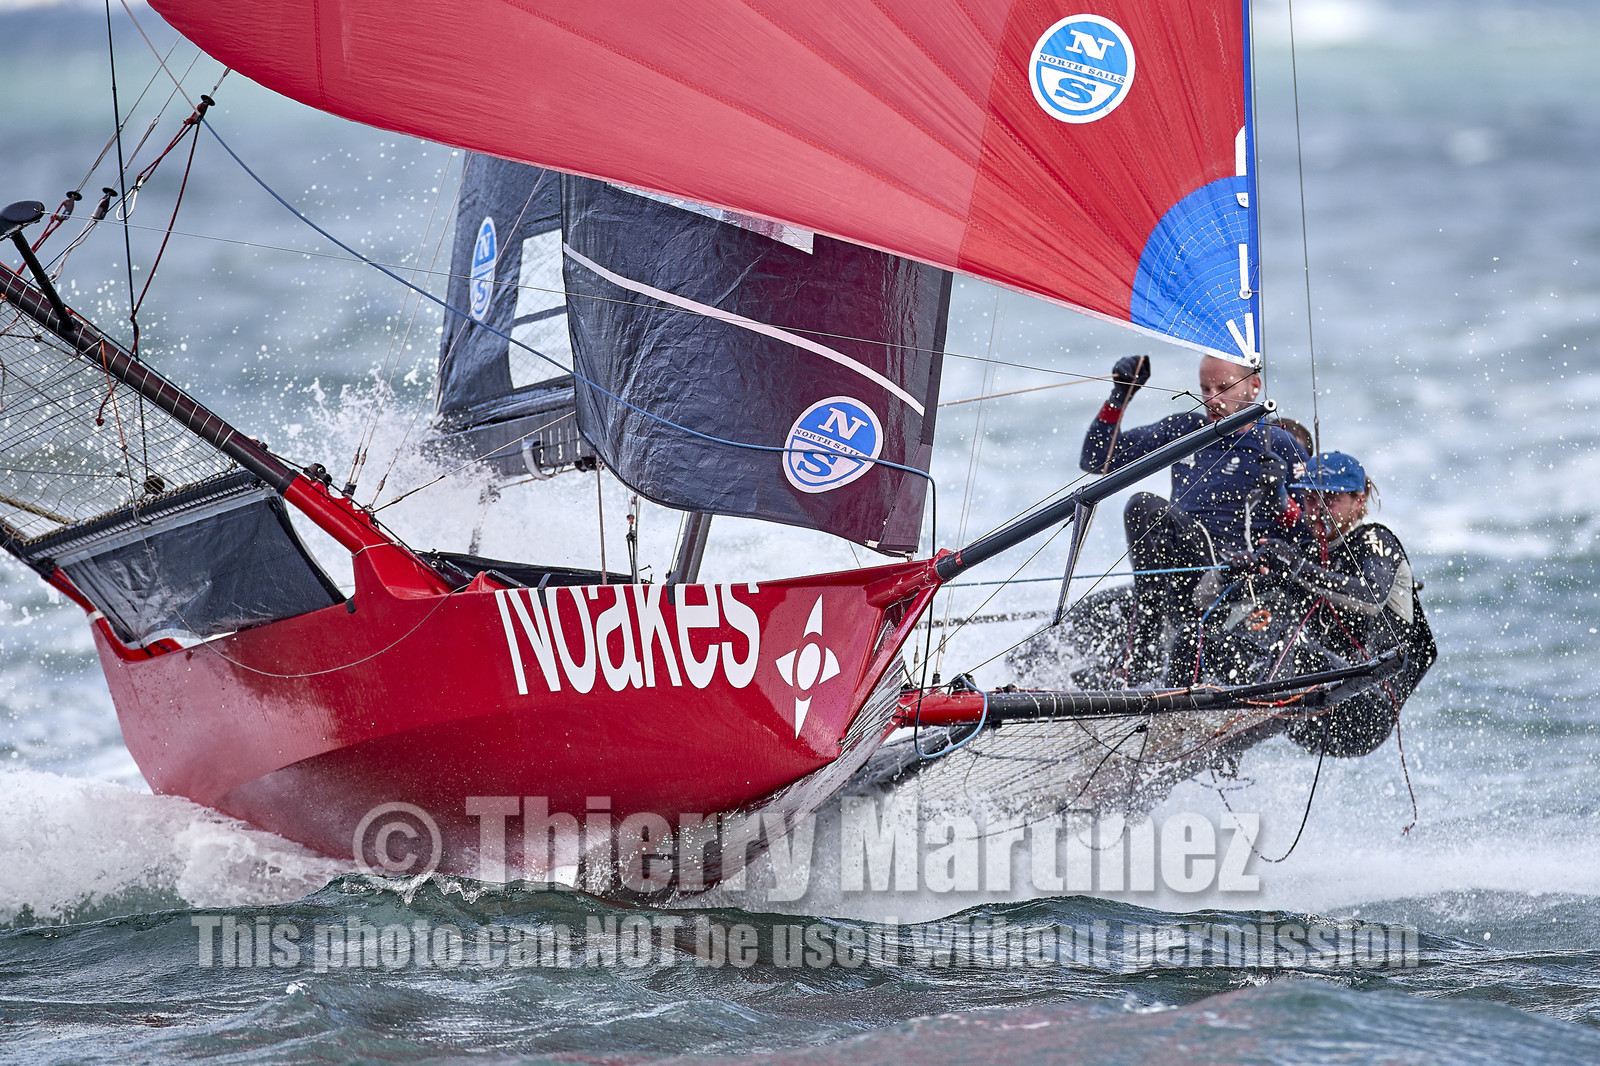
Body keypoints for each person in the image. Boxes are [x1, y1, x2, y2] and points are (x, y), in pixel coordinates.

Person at [1081, 354, 1310, 680]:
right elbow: (1096, 459)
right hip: (1182, 572)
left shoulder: (1280, 443)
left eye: (1224, 387)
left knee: (1143, 505)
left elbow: (1307, 533)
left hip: (1234, 577)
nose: (1212, 399)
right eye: (1205, 388)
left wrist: (1279, 496)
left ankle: (1143, 655)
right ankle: (1147, 641)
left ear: (1254, 386)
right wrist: (1121, 395)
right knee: (1142, 507)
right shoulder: (1187, 429)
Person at [1246, 451, 1437, 755]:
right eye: (1311, 499)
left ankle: (1241, 722)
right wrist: (1236, 572)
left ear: (1359, 500)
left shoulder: (1376, 540)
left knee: (1292, 644)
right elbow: (1210, 599)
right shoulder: (1307, 551)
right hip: (1311, 709)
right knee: (1212, 638)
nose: (1318, 509)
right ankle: (1193, 731)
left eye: (1331, 499)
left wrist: (1296, 566)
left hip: (1366, 708)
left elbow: (1371, 599)